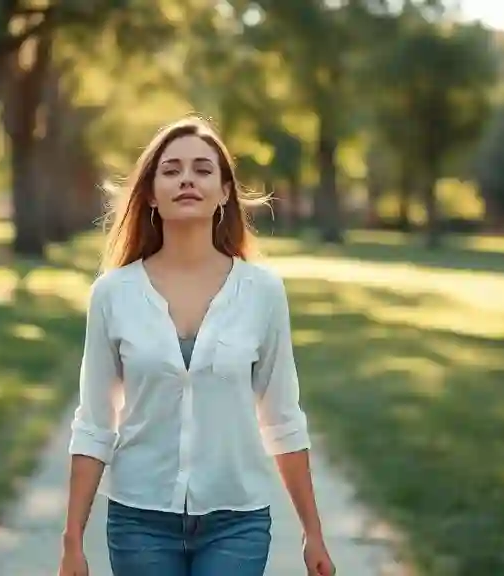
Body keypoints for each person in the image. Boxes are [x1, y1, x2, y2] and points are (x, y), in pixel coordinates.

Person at [57, 116, 335, 576]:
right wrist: (72, 542)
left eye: (203, 169)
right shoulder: (113, 294)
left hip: (238, 522)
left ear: (225, 191)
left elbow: (283, 417)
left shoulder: (262, 292)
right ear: (150, 192)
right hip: (139, 520)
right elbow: (94, 422)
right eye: (171, 170)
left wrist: (313, 533)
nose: (187, 178)